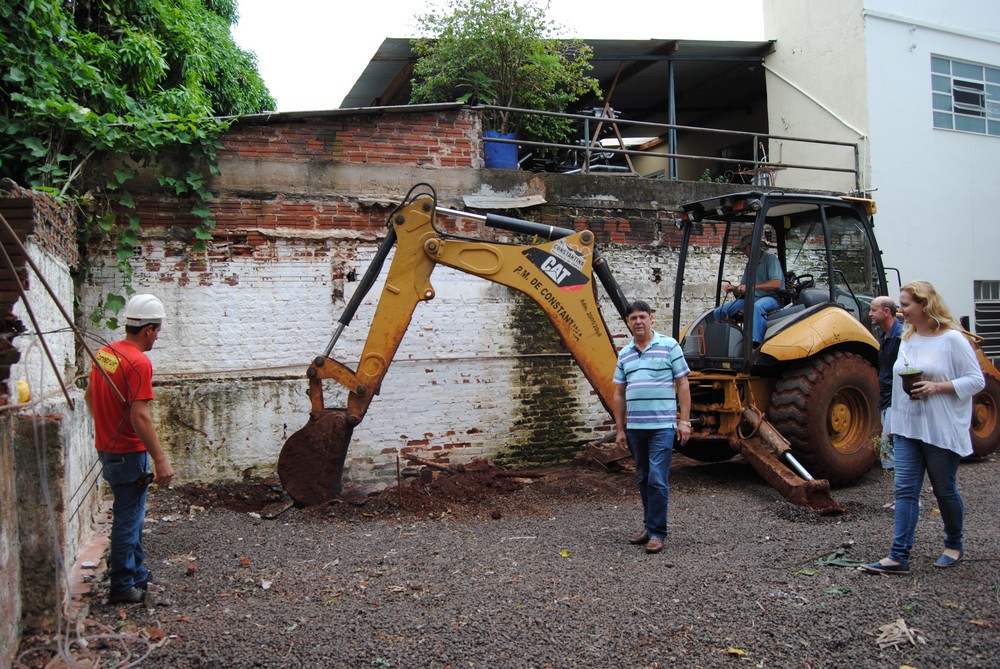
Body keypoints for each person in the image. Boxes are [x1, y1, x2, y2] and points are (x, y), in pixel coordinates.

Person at [862, 281, 984, 575]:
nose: (899, 311)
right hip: (908, 427)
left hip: (939, 427)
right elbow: (902, 384)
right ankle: (898, 555)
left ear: (924, 305)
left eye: (905, 305)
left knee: (944, 490)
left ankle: (954, 543)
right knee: (905, 491)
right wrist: (893, 423)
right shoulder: (908, 337)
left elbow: (976, 380)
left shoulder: (953, 339)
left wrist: (937, 387)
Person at [84, 294, 174, 604]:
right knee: (128, 518)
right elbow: (140, 415)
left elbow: (89, 398)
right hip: (129, 453)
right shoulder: (138, 362)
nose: (157, 336)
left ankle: (137, 573)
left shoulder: (105, 353)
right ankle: (122, 585)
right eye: (158, 330)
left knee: (131, 513)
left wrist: (107, 427)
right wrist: (160, 460)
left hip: (107, 448)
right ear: (148, 329)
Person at [613, 300, 692, 554]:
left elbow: (683, 384)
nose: (638, 321)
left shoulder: (669, 346)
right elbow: (618, 393)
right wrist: (620, 428)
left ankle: (658, 532)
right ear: (627, 322)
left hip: (661, 426)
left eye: (642, 316)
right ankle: (649, 526)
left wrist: (684, 421)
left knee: (658, 479)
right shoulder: (624, 354)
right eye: (633, 317)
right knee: (644, 477)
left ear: (651, 319)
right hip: (636, 428)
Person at [712, 234, 784, 346]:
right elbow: (744, 288)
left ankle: (755, 345)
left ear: (753, 246)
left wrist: (752, 287)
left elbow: (776, 283)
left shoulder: (770, 259)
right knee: (719, 311)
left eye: (744, 248)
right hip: (752, 298)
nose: (743, 252)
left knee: (757, 307)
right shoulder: (750, 264)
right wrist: (735, 288)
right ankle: (722, 344)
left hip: (772, 298)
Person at [869, 296, 903, 472]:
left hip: (895, 401)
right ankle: (902, 498)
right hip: (886, 399)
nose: (870, 314)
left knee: (889, 450)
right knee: (890, 450)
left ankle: (906, 498)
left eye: (874, 310)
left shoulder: (900, 337)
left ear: (887, 311)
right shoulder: (884, 335)